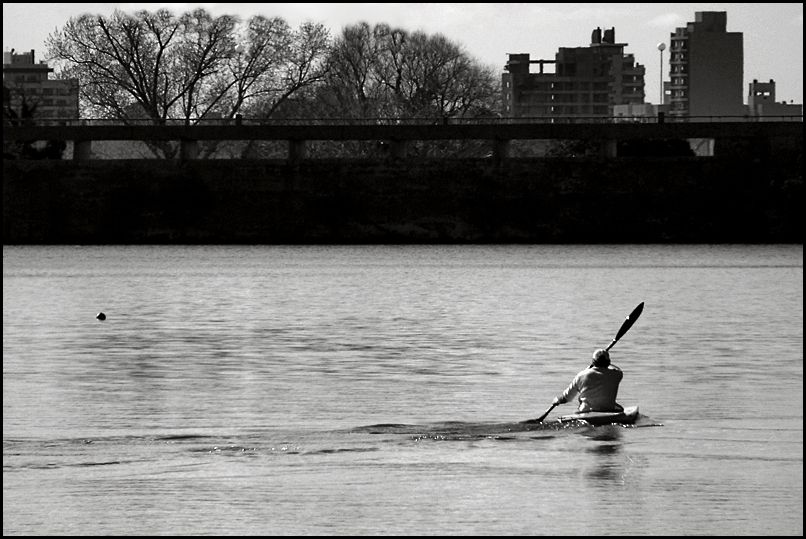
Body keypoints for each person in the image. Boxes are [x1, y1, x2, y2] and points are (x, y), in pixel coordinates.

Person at [552, 349, 624, 413]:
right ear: (608, 362)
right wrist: (608, 363)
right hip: (608, 410)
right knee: (620, 408)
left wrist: (557, 400)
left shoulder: (581, 375)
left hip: (586, 411)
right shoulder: (617, 375)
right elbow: (617, 369)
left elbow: (566, 398)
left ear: (593, 361)